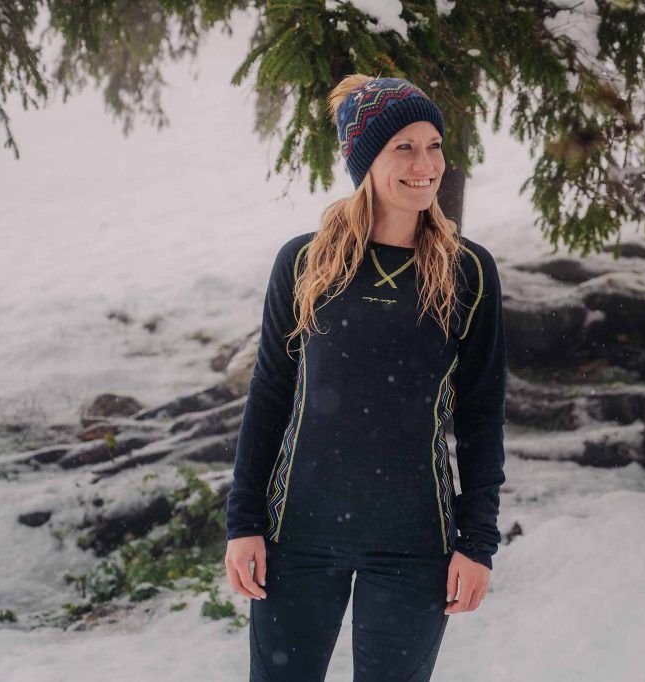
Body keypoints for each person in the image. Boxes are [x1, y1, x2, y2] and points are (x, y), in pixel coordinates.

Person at [223, 74, 508, 682]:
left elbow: (482, 416)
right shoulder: (306, 263)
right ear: (365, 161)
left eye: (433, 145)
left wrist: (477, 541)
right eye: (403, 147)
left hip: (415, 542)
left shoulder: (469, 273)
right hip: (297, 534)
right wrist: (244, 523)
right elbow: (270, 394)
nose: (425, 164)